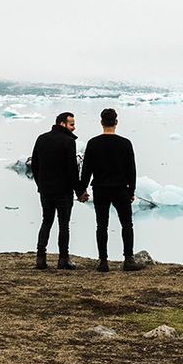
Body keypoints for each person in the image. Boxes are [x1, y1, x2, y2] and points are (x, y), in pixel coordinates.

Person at [79, 108, 143, 272]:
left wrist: (81, 190)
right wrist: (132, 191)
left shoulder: (93, 143)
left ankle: (103, 262)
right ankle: (128, 260)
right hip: (121, 189)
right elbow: (131, 170)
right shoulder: (125, 143)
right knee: (127, 224)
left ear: (101, 122)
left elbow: (86, 170)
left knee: (102, 225)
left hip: (100, 189)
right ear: (116, 122)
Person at [30, 112, 88, 270]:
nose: (74, 128)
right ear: (62, 124)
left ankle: (40, 259)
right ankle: (63, 259)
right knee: (64, 225)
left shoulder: (41, 138)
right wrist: (79, 191)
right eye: (71, 124)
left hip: (46, 190)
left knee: (46, 221)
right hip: (63, 191)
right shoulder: (68, 141)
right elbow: (71, 170)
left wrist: (40, 184)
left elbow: (35, 164)